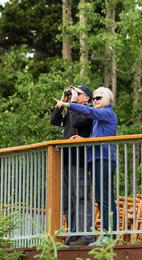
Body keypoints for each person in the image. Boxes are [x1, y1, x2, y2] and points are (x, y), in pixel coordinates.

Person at [56, 86, 117, 247]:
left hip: (104, 158)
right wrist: (83, 138)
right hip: (95, 159)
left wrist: (69, 104)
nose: (96, 101)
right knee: (100, 197)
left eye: (99, 98)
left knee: (105, 198)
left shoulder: (107, 113)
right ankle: (105, 234)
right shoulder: (98, 119)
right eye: (95, 98)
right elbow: (95, 137)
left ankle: (109, 235)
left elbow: (87, 113)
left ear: (108, 100)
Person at [50, 85, 94, 246]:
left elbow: (76, 121)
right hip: (67, 160)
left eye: (78, 94)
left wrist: (73, 103)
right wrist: (62, 102)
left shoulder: (88, 111)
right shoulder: (72, 111)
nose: (74, 96)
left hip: (80, 160)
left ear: (86, 98)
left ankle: (86, 235)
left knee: (81, 196)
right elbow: (54, 120)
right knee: (68, 199)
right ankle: (74, 233)